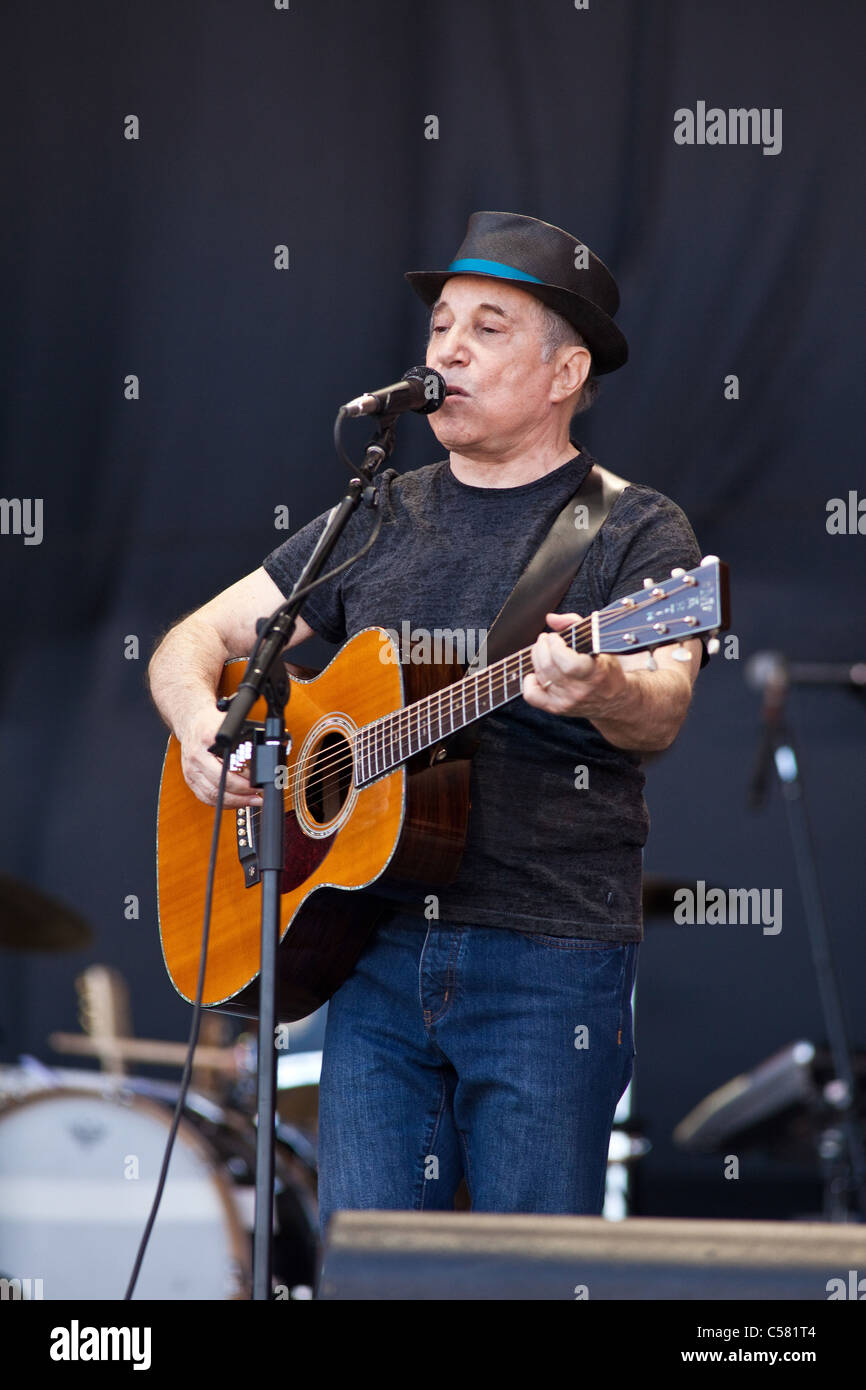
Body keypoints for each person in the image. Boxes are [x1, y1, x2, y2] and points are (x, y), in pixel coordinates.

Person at [148, 211, 708, 1236]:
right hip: (370, 950)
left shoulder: (634, 528)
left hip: (545, 962)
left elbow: (662, 699)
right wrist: (200, 727)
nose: (445, 347)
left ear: (563, 372)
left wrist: (601, 688)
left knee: (524, 1280)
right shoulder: (376, 513)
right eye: (440, 324)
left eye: (486, 327)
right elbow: (192, 638)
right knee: (376, 1276)